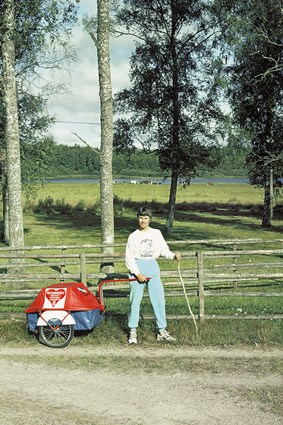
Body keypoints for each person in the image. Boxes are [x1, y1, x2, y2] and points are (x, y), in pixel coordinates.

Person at [125, 206, 181, 344]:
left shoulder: (156, 233)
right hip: (137, 268)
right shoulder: (133, 236)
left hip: (152, 267)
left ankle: (161, 331)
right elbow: (129, 258)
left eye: (145, 218)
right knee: (135, 302)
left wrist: (174, 255)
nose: (143, 221)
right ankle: (133, 331)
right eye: (140, 217)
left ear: (150, 219)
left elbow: (164, 250)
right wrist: (137, 273)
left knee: (159, 301)